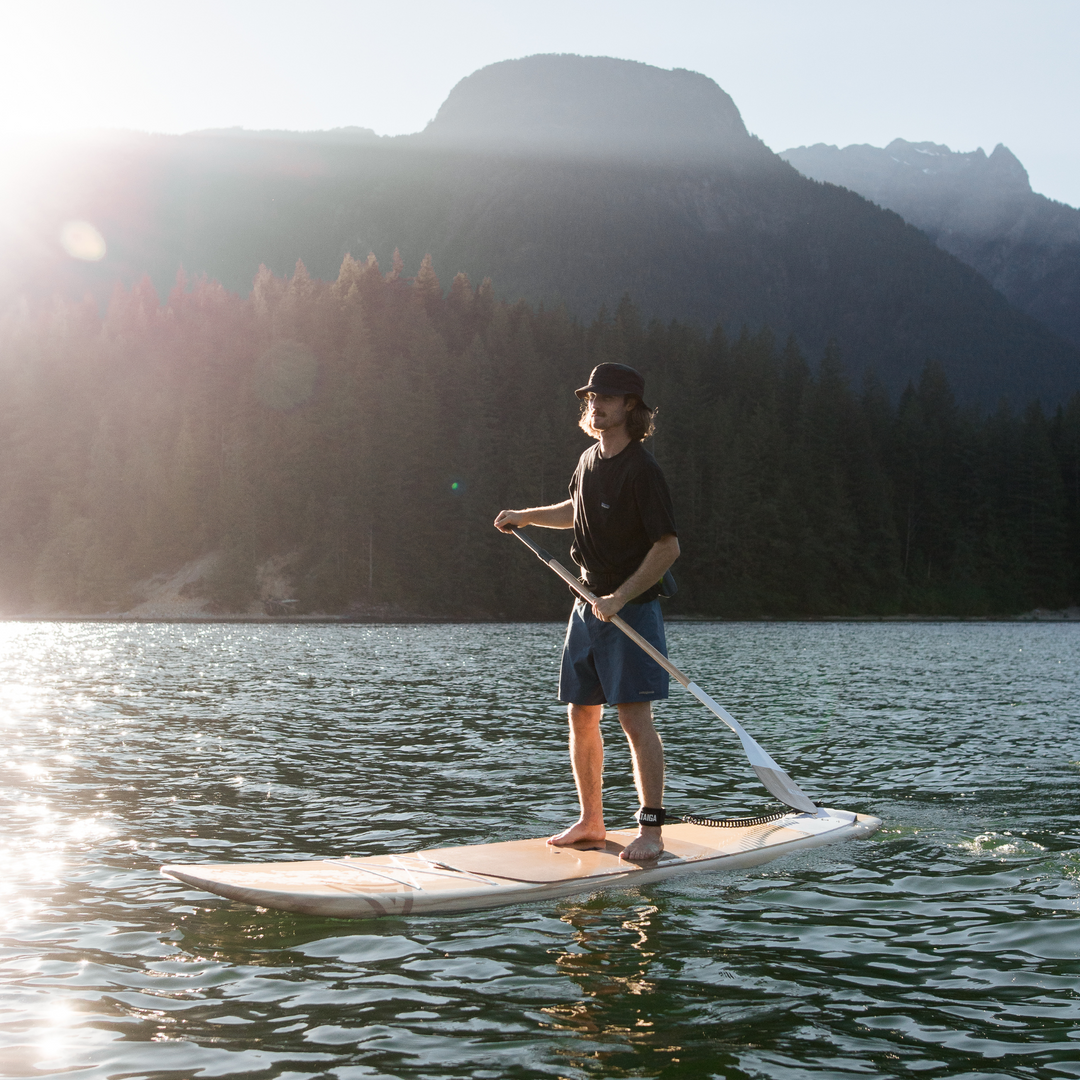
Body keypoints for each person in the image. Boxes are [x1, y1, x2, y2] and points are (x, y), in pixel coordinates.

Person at [494, 362, 680, 862]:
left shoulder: (643, 471)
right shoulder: (587, 460)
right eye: (591, 397)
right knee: (581, 714)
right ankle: (591, 820)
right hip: (585, 605)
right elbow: (576, 511)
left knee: (634, 720)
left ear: (631, 407)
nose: (594, 405)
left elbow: (667, 548)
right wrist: (526, 516)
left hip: (630, 612)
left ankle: (651, 831)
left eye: (606, 397)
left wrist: (619, 598)